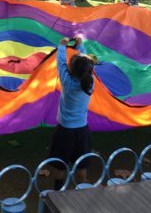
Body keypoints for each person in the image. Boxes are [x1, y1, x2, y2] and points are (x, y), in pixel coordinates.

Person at [49, 36, 94, 190]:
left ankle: (58, 189)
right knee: (81, 164)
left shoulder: (67, 83)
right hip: (82, 131)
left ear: (71, 69)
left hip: (65, 131)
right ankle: (81, 190)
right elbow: (86, 64)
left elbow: (60, 63)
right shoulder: (90, 82)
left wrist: (62, 45)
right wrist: (80, 45)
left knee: (60, 163)